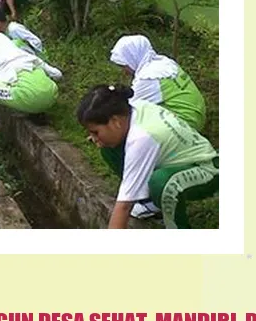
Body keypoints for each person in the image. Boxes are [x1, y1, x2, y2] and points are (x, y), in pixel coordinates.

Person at [76, 85, 219, 229]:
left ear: (115, 122)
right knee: (108, 148)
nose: (92, 138)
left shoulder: (142, 138)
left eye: (95, 132)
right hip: (173, 164)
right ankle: (147, 201)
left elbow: (124, 207)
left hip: (207, 170)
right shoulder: (133, 109)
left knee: (161, 183)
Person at [110, 35, 206, 132]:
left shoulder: (149, 77)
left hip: (185, 123)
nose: (124, 71)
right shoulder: (164, 63)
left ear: (132, 58)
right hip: (196, 115)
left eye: (124, 66)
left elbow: (126, 108)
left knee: (132, 122)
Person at [0, 5, 58, 74]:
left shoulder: (14, 29)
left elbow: (36, 41)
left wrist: (40, 57)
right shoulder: (0, 34)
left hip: (29, 58)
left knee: (14, 44)